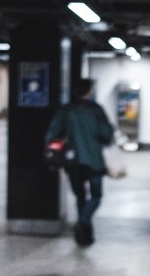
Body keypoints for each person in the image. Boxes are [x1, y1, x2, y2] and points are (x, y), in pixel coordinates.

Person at [45, 78, 114, 246]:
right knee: (96, 196)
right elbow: (106, 133)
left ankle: (84, 237)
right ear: (88, 92)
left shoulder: (66, 110)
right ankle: (83, 222)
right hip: (94, 162)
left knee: (80, 197)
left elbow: (52, 134)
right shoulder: (96, 110)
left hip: (73, 161)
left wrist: (54, 152)